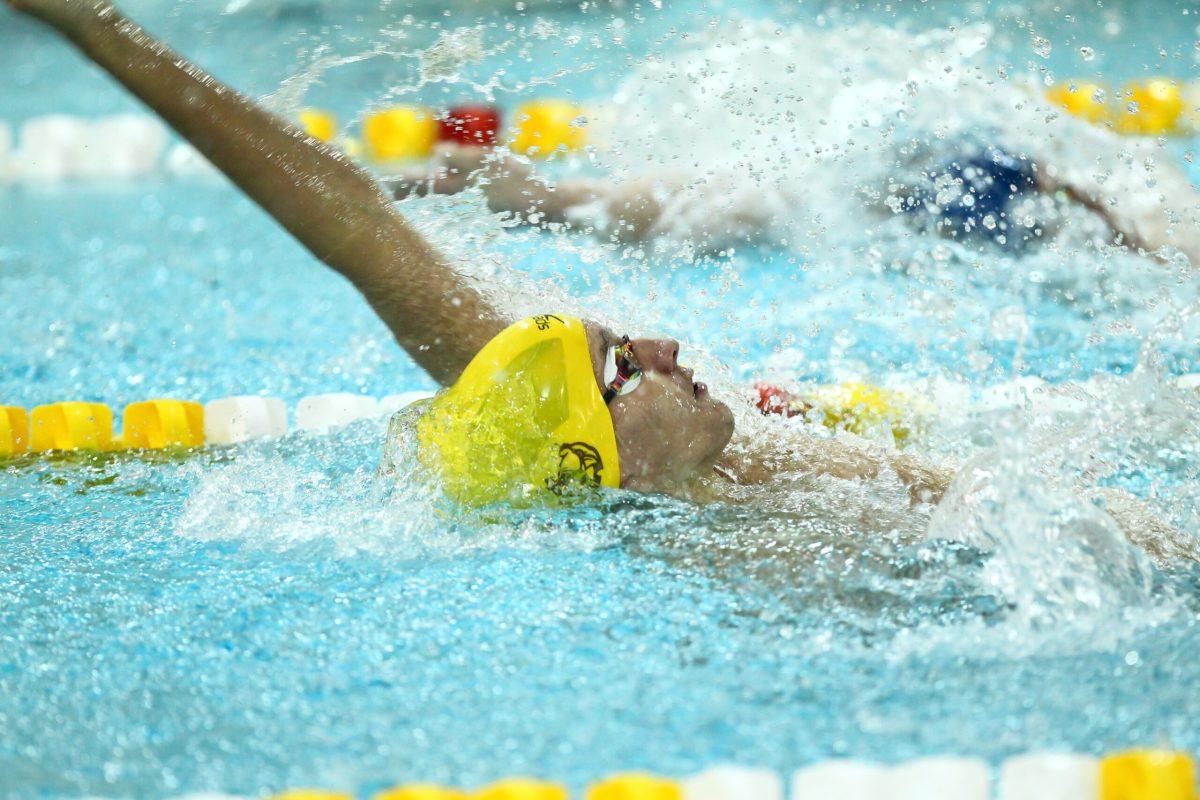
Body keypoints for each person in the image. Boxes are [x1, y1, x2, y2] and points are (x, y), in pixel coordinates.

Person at [10, 0, 1188, 562]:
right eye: (629, 367)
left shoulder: (588, 434)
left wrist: (95, 25)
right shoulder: (754, 552)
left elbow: (348, 218)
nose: (668, 349)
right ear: (607, 453)